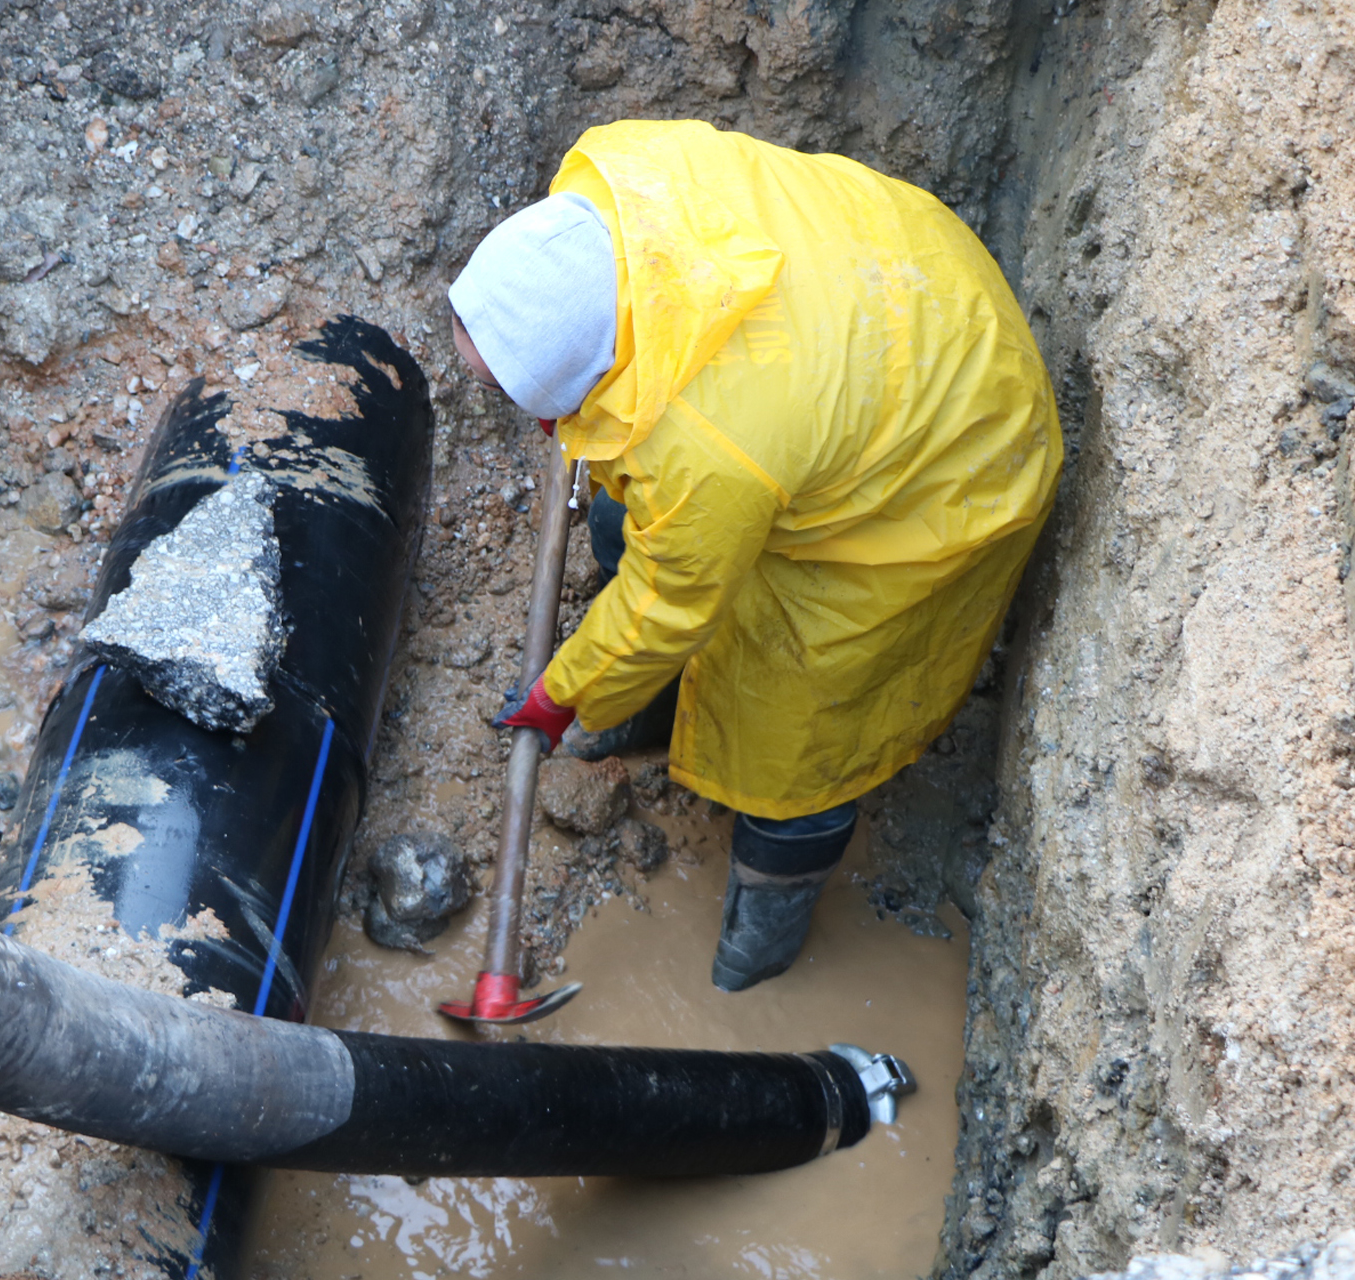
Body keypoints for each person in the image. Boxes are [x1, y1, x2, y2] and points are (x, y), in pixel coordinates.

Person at [449, 119, 1062, 992]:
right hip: (902, 288)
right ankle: (653, 710)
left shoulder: (711, 446)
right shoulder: (624, 180)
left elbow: (667, 600)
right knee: (627, 526)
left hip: (953, 464)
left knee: (799, 724)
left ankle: (764, 930)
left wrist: (563, 695)